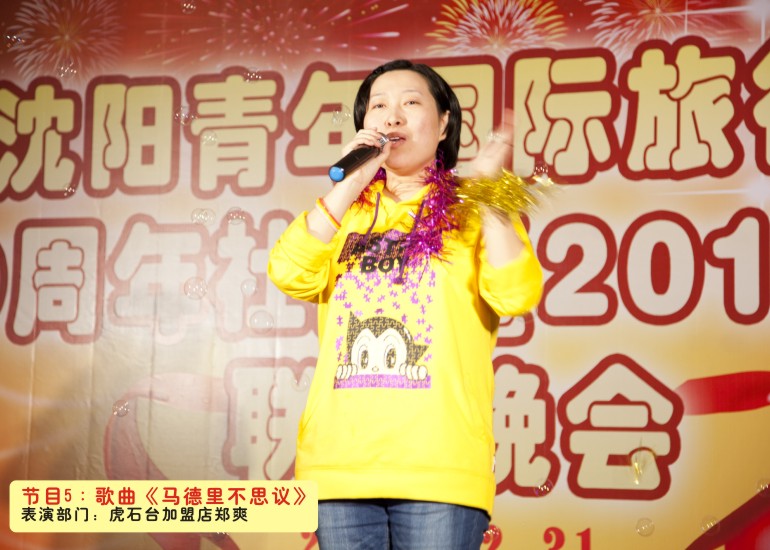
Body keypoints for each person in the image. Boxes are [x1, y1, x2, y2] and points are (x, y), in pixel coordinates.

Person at [268, 59, 543, 550]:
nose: (392, 116)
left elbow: (515, 293)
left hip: (440, 467)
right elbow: (289, 273)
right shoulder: (343, 214)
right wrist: (349, 184)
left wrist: (488, 194)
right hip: (340, 465)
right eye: (378, 106)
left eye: (411, 103)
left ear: (444, 125)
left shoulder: (473, 208)